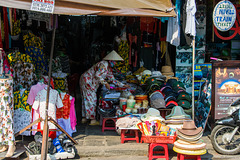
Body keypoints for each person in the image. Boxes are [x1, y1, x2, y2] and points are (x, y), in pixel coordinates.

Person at [80, 50, 130, 125]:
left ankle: (84, 118)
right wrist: (105, 83)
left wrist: (122, 85)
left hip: (87, 80)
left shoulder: (108, 68)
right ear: (111, 60)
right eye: (115, 61)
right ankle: (92, 119)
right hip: (88, 81)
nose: (115, 63)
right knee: (91, 99)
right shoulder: (104, 64)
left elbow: (112, 79)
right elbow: (97, 75)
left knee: (86, 99)